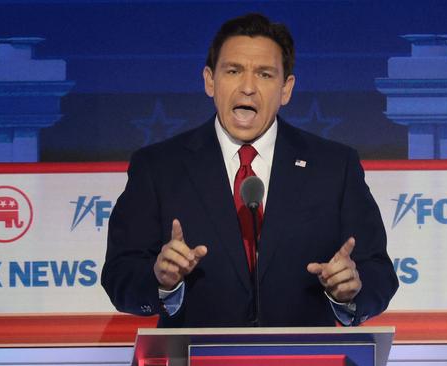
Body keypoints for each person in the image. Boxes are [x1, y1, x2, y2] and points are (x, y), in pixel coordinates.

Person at [101, 13, 398, 327]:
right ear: (210, 81)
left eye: (265, 74)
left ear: (286, 89)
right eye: (233, 70)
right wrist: (162, 281)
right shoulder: (158, 166)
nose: (247, 88)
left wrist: (349, 292)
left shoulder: (334, 167)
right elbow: (120, 275)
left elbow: (377, 272)